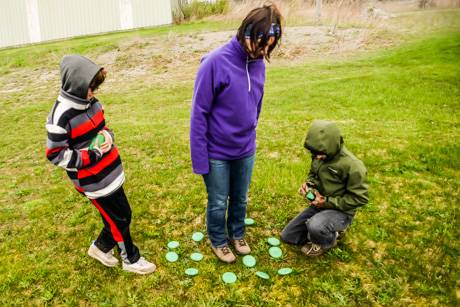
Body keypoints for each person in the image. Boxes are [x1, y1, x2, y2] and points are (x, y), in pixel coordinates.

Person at [45, 55, 156, 274]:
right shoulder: (59, 117)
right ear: (75, 85)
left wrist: (108, 136)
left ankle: (100, 248)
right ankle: (131, 259)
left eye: (95, 88)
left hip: (111, 172)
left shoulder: (93, 103)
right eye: (90, 88)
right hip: (93, 182)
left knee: (120, 214)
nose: (93, 93)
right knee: (119, 219)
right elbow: (56, 155)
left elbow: (103, 128)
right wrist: (92, 154)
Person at [190, 4, 283, 263]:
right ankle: (218, 240)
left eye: (270, 46)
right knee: (219, 201)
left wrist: (251, 128)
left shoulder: (259, 63)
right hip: (216, 152)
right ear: (246, 33)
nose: (264, 51)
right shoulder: (214, 63)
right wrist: (200, 159)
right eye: (261, 44)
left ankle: (237, 233)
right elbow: (198, 115)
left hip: (245, 149)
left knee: (240, 198)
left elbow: (257, 101)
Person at [280, 120, 368, 256]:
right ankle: (322, 227)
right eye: (314, 154)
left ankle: (329, 240)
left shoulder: (354, 166)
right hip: (320, 205)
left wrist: (327, 201)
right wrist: (309, 185)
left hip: (342, 211)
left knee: (315, 226)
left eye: (320, 154)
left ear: (332, 146)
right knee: (288, 236)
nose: (317, 158)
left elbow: (360, 198)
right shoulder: (319, 155)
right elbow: (313, 174)